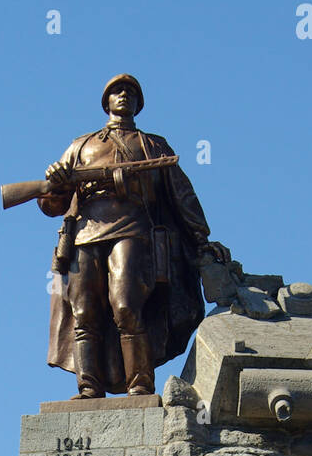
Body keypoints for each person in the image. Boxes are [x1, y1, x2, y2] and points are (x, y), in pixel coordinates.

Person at [40, 74, 230, 398]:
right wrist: (56, 181)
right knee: (84, 313)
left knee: (127, 306)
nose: (123, 95)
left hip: (132, 230)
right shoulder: (82, 145)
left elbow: (181, 195)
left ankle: (139, 384)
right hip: (85, 235)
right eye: (116, 91)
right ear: (106, 101)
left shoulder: (152, 145)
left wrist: (201, 238)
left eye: (130, 91)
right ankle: (89, 388)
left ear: (139, 103)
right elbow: (51, 203)